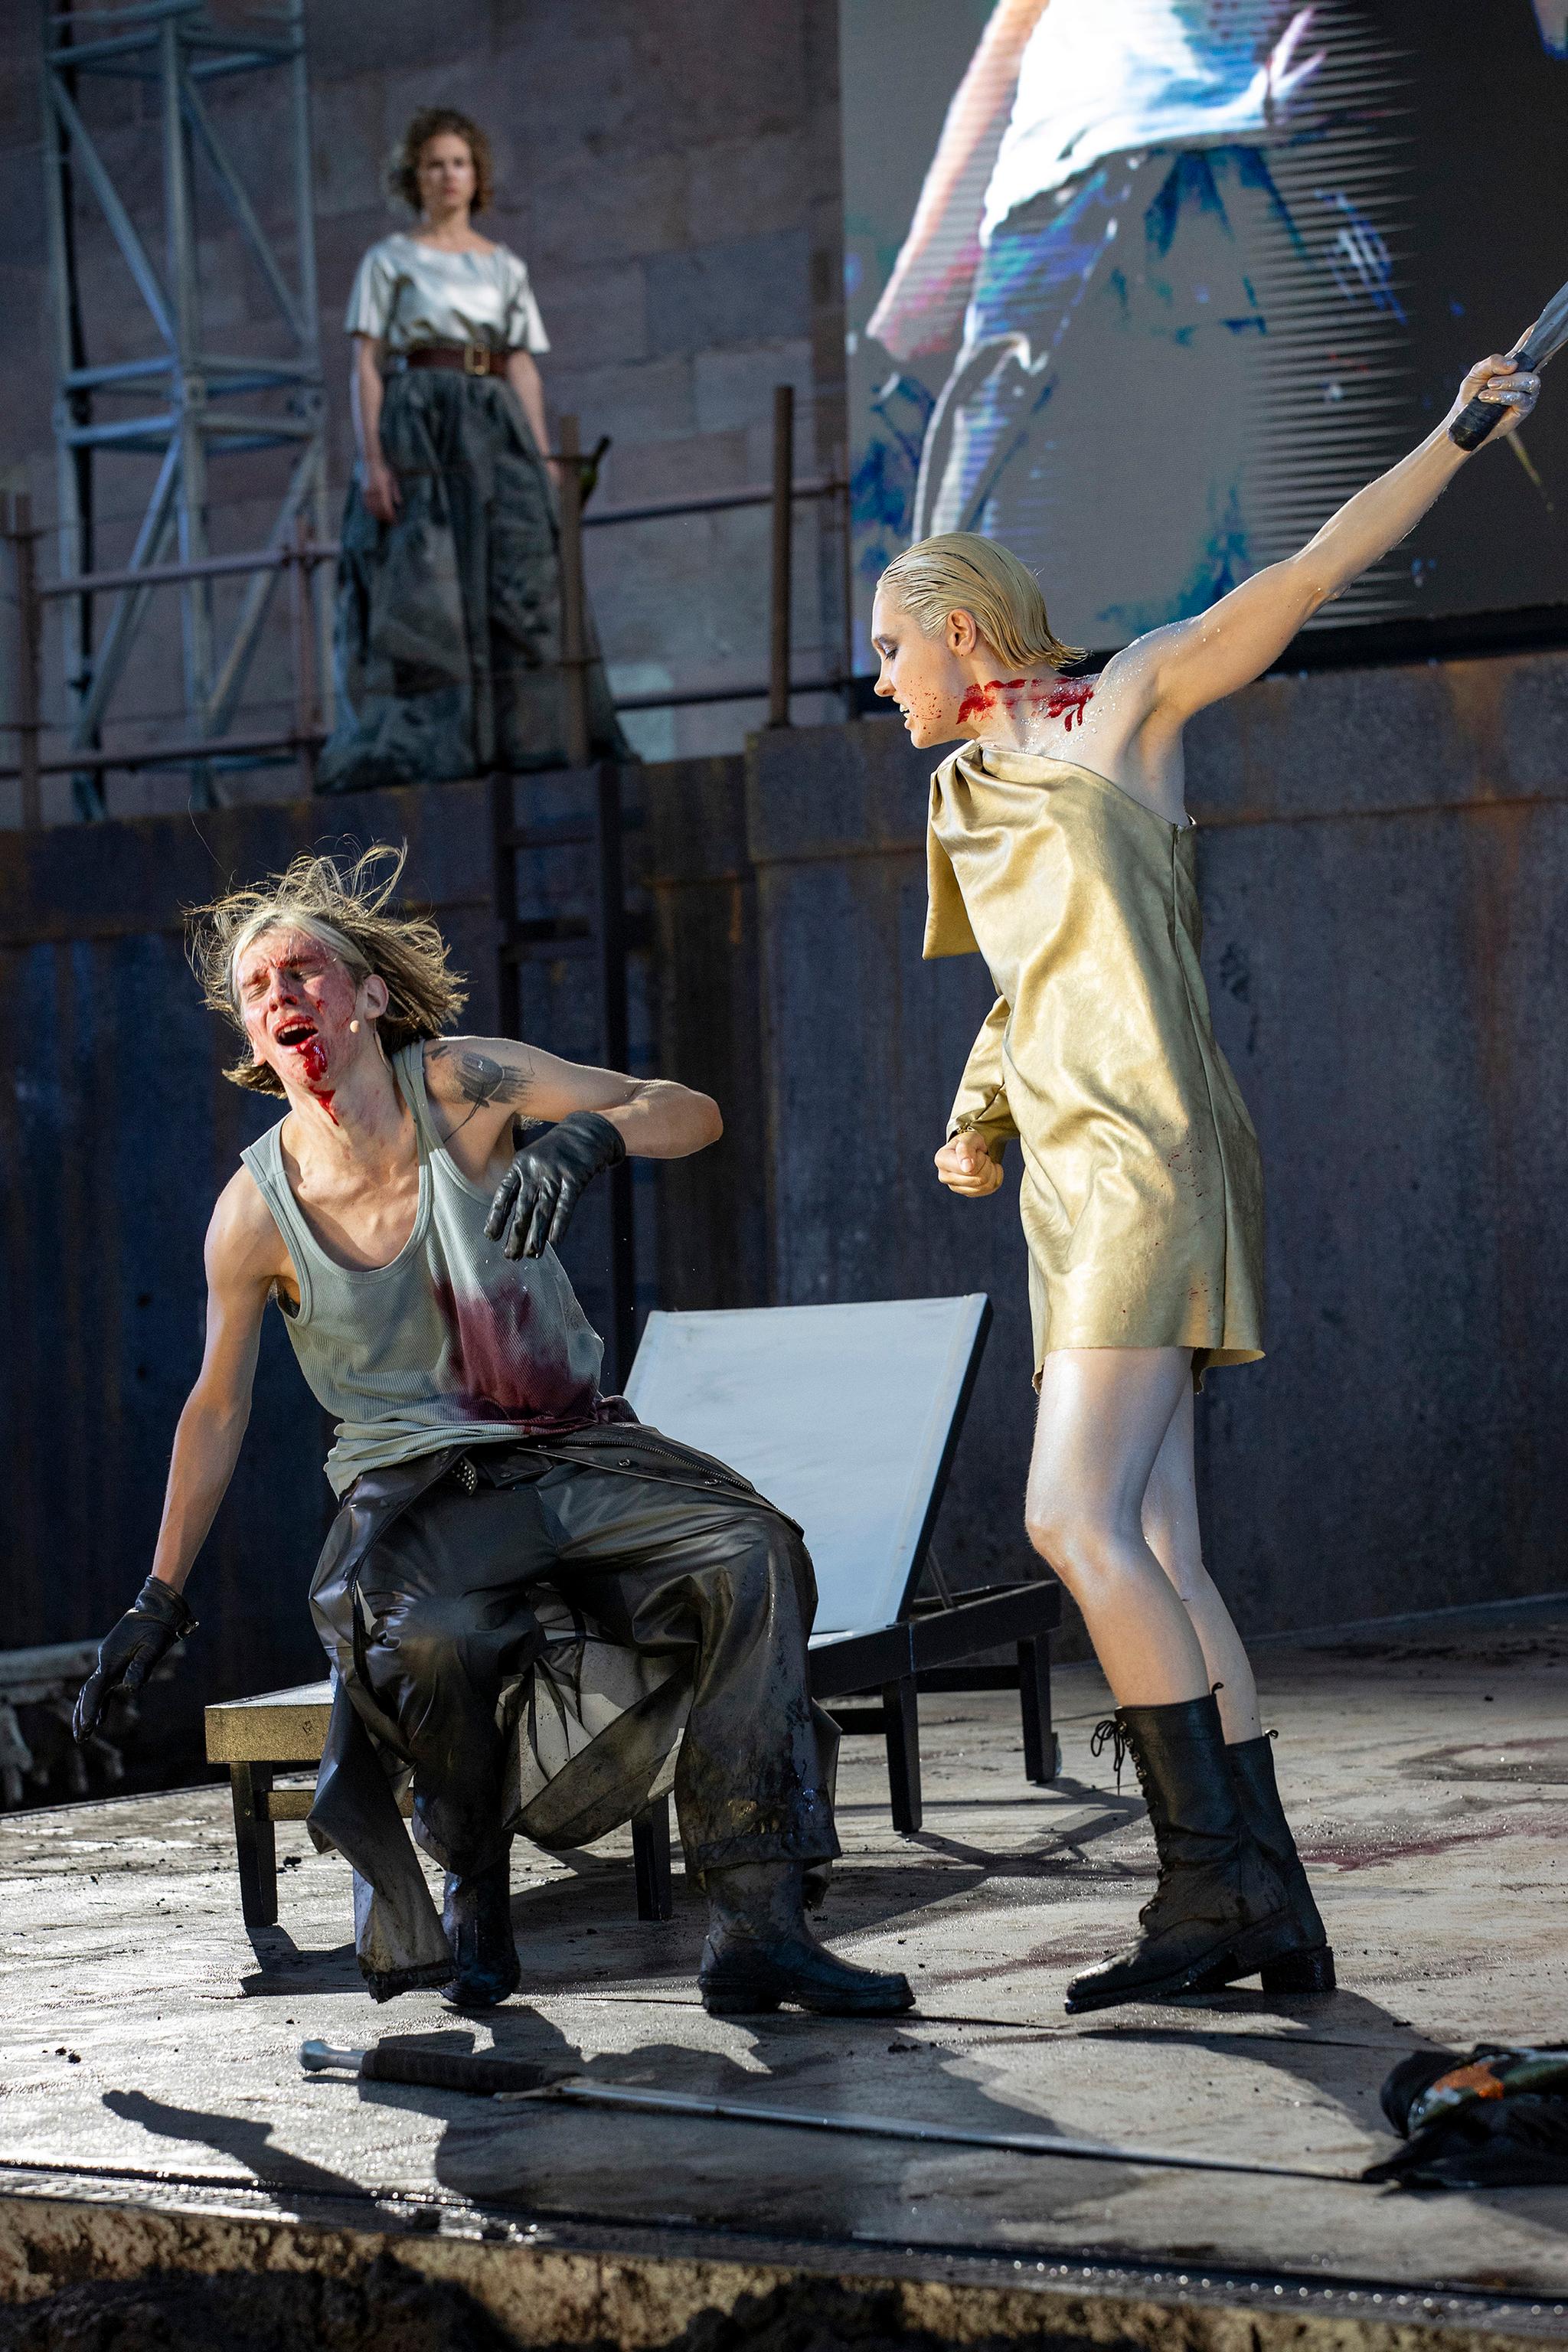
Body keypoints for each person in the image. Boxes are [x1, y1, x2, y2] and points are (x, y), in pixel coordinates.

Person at [869, 348, 1541, 2012]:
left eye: (889, 648)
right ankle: (1272, 1910)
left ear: (960, 631)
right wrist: (979, 1113)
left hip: (1150, 1152)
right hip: (1068, 1168)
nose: (876, 680)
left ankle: (1201, 1897)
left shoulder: (1124, 708)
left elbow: (1310, 572)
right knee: (1156, 1542)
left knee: (1064, 1515)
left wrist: (1453, 431)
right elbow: (1026, 991)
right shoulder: (958, 796)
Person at [73, 847, 910, 2021]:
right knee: (438, 1642)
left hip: (573, 1450)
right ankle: (475, 1892)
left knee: (748, 1555)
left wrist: (590, 1135)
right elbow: (214, 1408)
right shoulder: (254, 1212)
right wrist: (158, 1597)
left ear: (367, 995)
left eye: (305, 972)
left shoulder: (462, 1084)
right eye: (259, 993)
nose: (283, 999)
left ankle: (758, 1919)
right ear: (255, 1045)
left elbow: (690, 1112)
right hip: (417, 1502)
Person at [319, 109, 628, 790]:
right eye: (434, 164)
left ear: (476, 174)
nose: (448, 175)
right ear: (414, 177)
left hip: (492, 419)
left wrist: (546, 457)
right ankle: (437, 742)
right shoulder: (388, 260)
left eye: (459, 162)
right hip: (421, 417)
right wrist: (373, 458)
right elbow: (367, 362)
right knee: (428, 582)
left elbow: (521, 364)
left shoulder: (503, 266)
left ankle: (522, 738)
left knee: (517, 575)